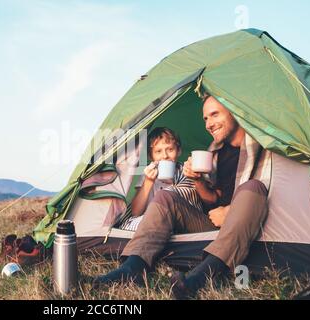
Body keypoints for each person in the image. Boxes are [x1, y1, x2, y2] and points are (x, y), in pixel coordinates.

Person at [93, 94, 269, 299]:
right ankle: (133, 267)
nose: (209, 124)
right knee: (165, 197)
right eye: (205, 119)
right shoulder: (217, 153)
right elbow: (213, 199)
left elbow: (266, 193)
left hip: (242, 223)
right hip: (209, 224)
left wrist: (230, 212)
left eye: (214, 115)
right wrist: (198, 180)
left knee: (254, 187)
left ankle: (204, 274)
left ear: (234, 111)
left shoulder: (263, 143)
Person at [122, 127, 202, 232]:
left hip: (182, 219)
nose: (165, 156)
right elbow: (136, 212)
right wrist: (148, 181)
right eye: (158, 151)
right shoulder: (148, 174)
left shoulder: (186, 171)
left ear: (178, 151)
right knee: (136, 223)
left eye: (170, 149)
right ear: (151, 157)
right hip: (154, 219)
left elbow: (194, 202)